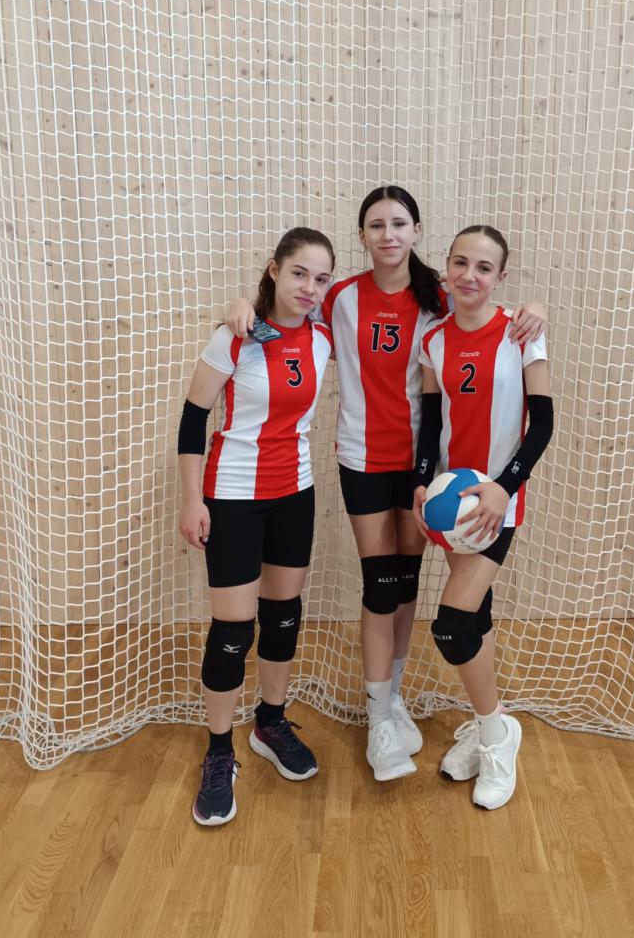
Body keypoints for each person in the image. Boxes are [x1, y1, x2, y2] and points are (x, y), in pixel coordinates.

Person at [225, 187, 546, 782]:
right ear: (362, 236)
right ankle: (378, 716)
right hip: (363, 459)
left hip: (426, 469)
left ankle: (394, 698)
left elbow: (486, 307)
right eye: (376, 225)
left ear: (417, 231)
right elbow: (285, 318)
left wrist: (534, 309)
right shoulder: (339, 296)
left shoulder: (438, 295)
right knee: (381, 584)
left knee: (406, 583)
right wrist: (244, 305)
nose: (388, 234)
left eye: (399, 224)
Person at [179, 227, 335, 825]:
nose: (310, 287)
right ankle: (220, 752)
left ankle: (270, 723)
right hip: (233, 498)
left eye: (321, 278)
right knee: (232, 630)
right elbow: (192, 422)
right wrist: (192, 501)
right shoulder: (234, 336)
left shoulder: (322, 335)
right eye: (299, 273)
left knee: (284, 615)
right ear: (274, 269)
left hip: (295, 494)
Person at [412, 225, 554, 810]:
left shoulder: (522, 332)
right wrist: (422, 482)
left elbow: (542, 423)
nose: (469, 275)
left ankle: (498, 733)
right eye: (460, 263)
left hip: (497, 502)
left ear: (501, 277)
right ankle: (485, 722)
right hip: (452, 501)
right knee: (478, 615)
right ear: (446, 267)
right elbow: (430, 423)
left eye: (484, 267)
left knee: (451, 625)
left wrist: (503, 487)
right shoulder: (433, 338)